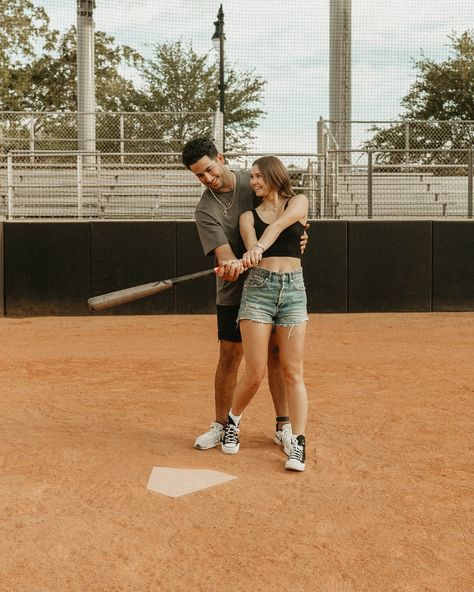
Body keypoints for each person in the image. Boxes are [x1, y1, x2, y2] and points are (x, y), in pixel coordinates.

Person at [181, 138, 307, 454]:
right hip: (235, 288)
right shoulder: (205, 211)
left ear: (220, 158)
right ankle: (222, 426)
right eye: (199, 176)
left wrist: (301, 235)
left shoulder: (252, 180)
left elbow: (284, 209)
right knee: (230, 357)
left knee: (277, 357)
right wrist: (233, 264)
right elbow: (226, 257)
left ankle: (284, 426)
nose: (207, 179)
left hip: (273, 283)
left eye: (209, 169)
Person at [219, 156, 309, 471]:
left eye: (259, 176)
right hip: (259, 290)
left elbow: (281, 224)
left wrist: (259, 247)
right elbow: (251, 244)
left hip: (293, 292)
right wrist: (245, 257)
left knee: (292, 372)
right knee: (255, 372)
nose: (254, 182)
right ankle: (232, 421)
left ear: (273, 175)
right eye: (252, 176)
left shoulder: (299, 201)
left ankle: (297, 442)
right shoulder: (246, 216)